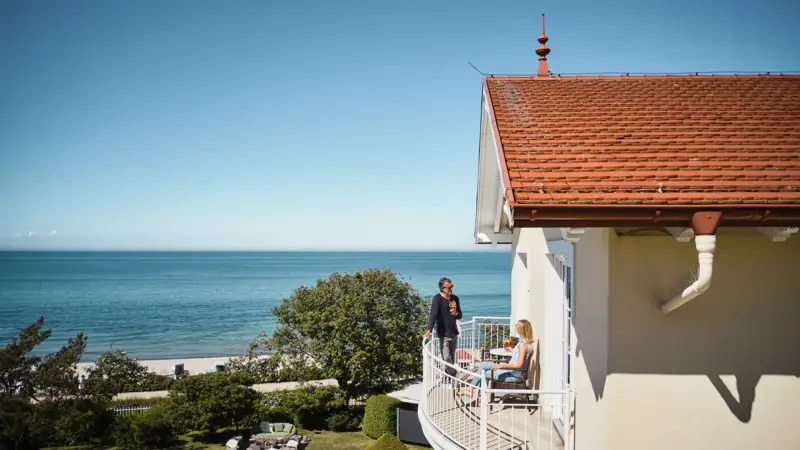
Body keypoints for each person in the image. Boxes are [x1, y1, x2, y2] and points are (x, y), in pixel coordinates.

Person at [463, 319, 535, 403]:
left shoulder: (523, 345)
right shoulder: (524, 342)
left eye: (517, 325)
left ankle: (478, 396)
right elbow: (520, 354)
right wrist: (512, 350)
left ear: (520, 330)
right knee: (483, 366)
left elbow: (518, 365)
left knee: (485, 374)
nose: (515, 326)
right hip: (512, 371)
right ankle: (473, 391)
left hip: (514, 375)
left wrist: (501, 365)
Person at [424, 277, 462, 385]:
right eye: (448, 287)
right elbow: (433, 314)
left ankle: (450, 380)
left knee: (452, 357)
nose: (451, 289)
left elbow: (460, 315)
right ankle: (454, 373)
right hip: (443, 333)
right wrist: (429, 330)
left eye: (452, 287)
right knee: (446, 357)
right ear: (442, 288)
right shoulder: (437, 298)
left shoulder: (455, 298)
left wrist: (456, 314)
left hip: (453, 332)